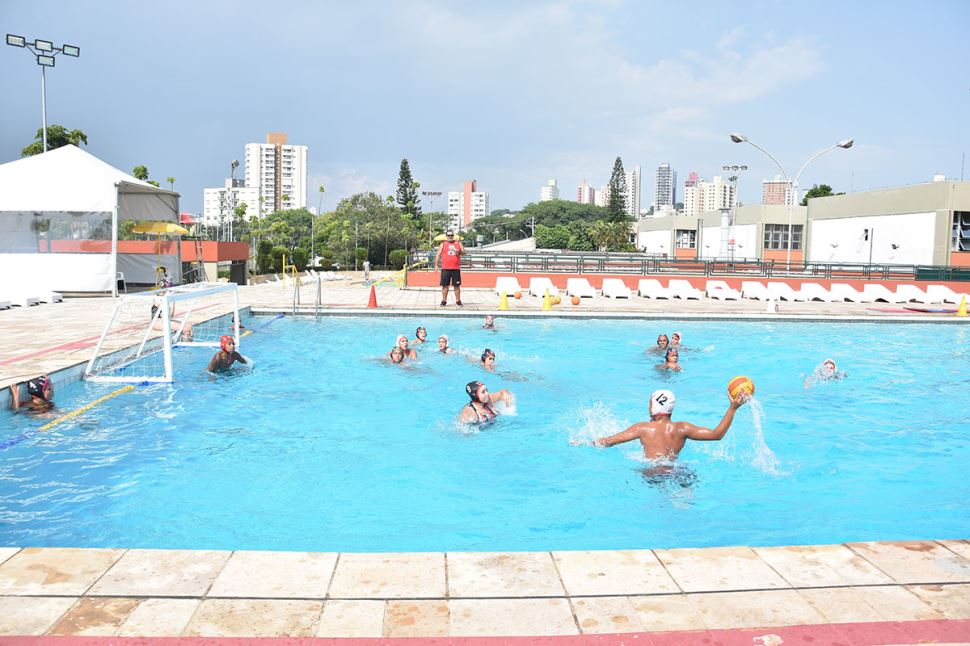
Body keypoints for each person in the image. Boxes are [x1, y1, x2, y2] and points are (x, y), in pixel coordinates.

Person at [590, 389, 747, 461]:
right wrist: (732, 408)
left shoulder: (642, 428)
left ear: (653, 407)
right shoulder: (682, 428)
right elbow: (717, 435)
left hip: (651, 473)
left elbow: (608, 441)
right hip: (675, 472)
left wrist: (584, 442)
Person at [435, 229, 465, 307]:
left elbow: (464, 252)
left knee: (456, 285)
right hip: (445, 268)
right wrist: (436, 265)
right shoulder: (443, 244)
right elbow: (438, 255)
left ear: (453, 236)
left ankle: (458, 301)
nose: (450, 237)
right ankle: (444, 300)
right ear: (446, 236)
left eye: (451, 235)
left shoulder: (458, 243)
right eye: (448, 235)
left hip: (455, 268)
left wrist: (459, 252)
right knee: (445, 285)